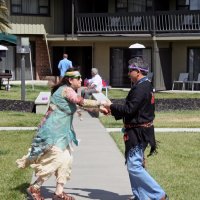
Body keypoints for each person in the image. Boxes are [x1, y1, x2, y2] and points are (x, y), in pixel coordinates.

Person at [16, 67, 108, 200]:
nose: (81, 80)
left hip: (62, 132)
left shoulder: (69, 90)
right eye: (78, 78)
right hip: (52, 131)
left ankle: (59, 193)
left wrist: (99, 108)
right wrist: (101, 102)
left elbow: (78, 105)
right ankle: (34, 187)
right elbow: (80, 101)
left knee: (66, 159)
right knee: (56, 158)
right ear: (70, 80)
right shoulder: (66, 90)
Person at [103, 57, 169, 200]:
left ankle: (159, 194)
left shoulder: (141, 87)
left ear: (138, 72)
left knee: (134, 166)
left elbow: (130, 109)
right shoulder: (145, 85)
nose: (128, 74)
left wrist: (111, 106)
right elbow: (133, 109)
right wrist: (112, 110)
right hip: (138, 130)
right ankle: (141, 196)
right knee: (134, 165)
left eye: (130, 71)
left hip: (138, 132)